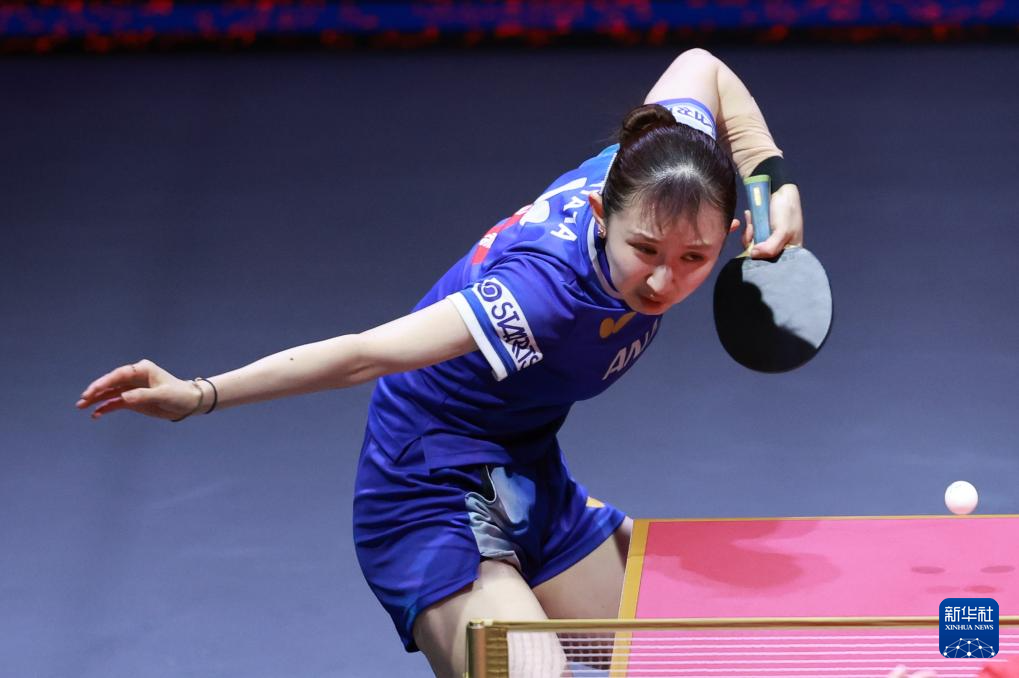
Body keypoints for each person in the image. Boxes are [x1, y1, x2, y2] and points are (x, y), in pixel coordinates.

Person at [76, 49, 805, 678]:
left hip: (525, 479)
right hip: (425, 494)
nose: (662, 280)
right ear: (598, 210)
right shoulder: (541, 294)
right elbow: (364, 355)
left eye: (694, 258)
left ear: (728, 231)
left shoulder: (665, 165)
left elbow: (701, 67)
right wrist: (198, 394)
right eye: (644, 250)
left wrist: (771, 183)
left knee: (690, 652)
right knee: (532, 671)